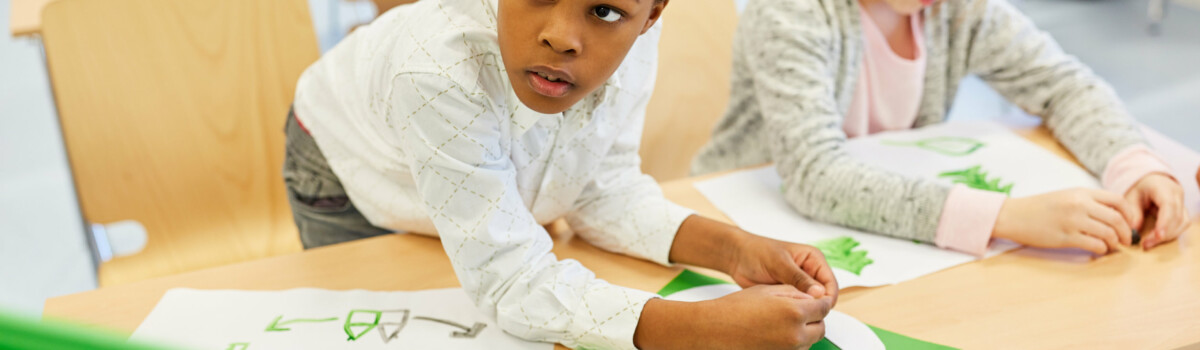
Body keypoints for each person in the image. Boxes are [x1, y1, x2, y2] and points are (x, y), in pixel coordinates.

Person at [283, 0, 837, 348]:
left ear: (652, 15)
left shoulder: (634, 34)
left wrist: (734, 249)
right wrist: (701, 330)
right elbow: (507, 280)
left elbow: (601, 188)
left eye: (604, 11)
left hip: (470, 165)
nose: (562, 36)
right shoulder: (436, 69)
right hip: (354, 168)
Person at [693, 0, 1188, 257]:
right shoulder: (792, 12)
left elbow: (1063, 84)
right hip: (738, 223)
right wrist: (1004, 218)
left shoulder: (958, 11)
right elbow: (812, 174)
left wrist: (1134, 166)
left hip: (880, 226)